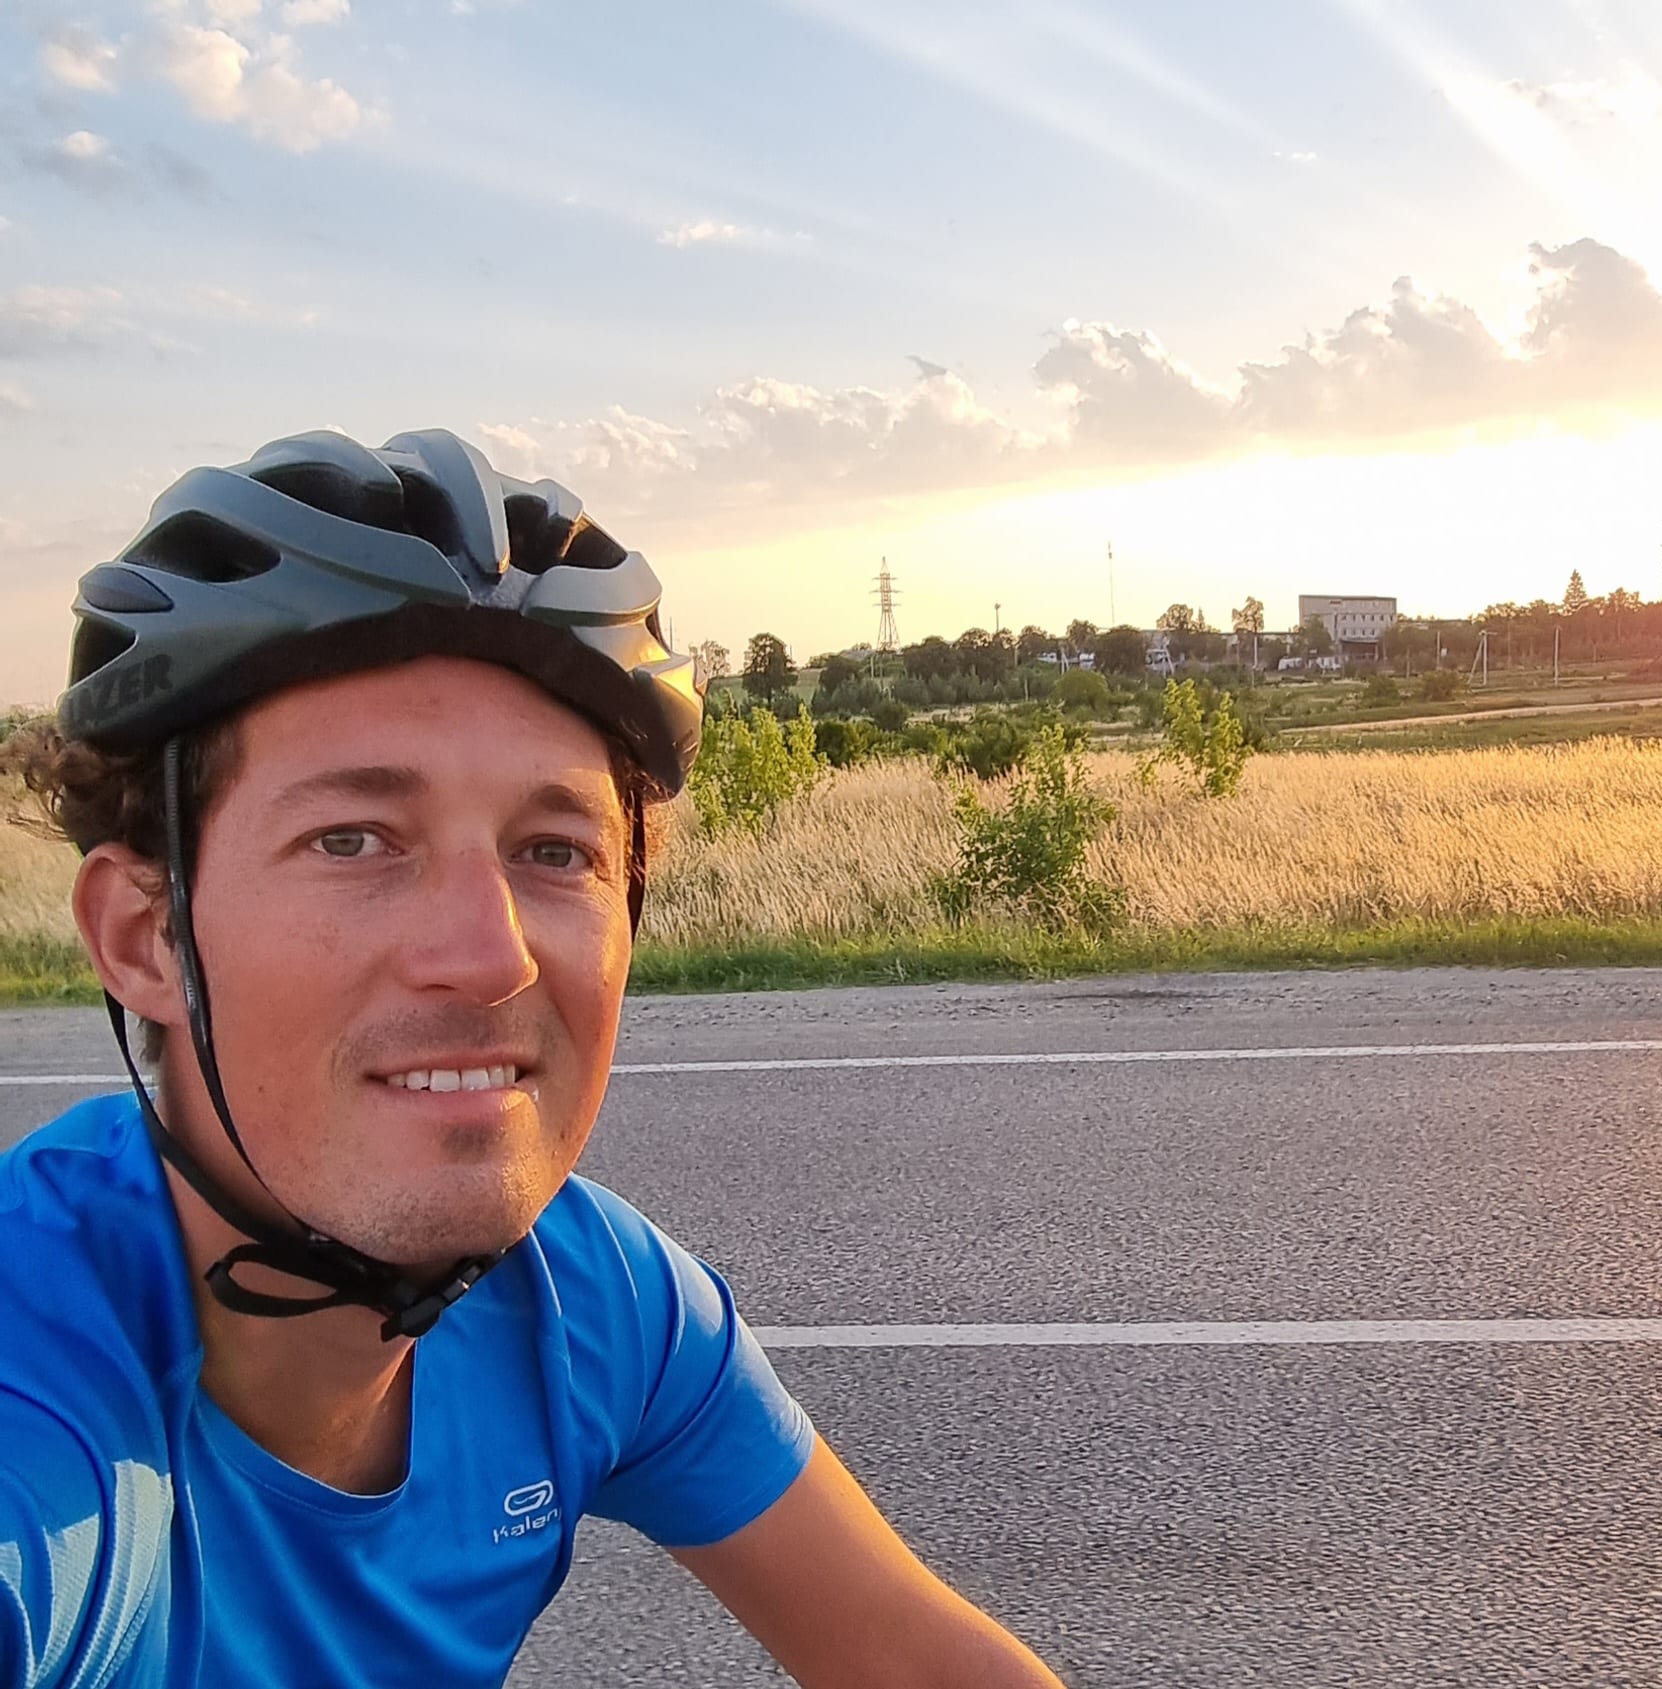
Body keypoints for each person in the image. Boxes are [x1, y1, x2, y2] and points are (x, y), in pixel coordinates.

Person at [0, 429, 1066, 1688]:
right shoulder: (40, 1423)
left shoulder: (588, 1299)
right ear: (145, 938)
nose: (488, 955)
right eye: (353, 839)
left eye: (554, 852)